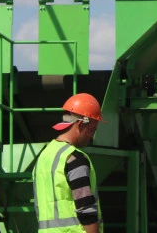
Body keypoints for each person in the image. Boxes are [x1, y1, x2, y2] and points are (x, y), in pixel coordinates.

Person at [32, 93, 105, 232]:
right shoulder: (74, 158)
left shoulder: (44, 157)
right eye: (91, 130)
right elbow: (85, 208)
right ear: (79, 124)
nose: (91, 136)